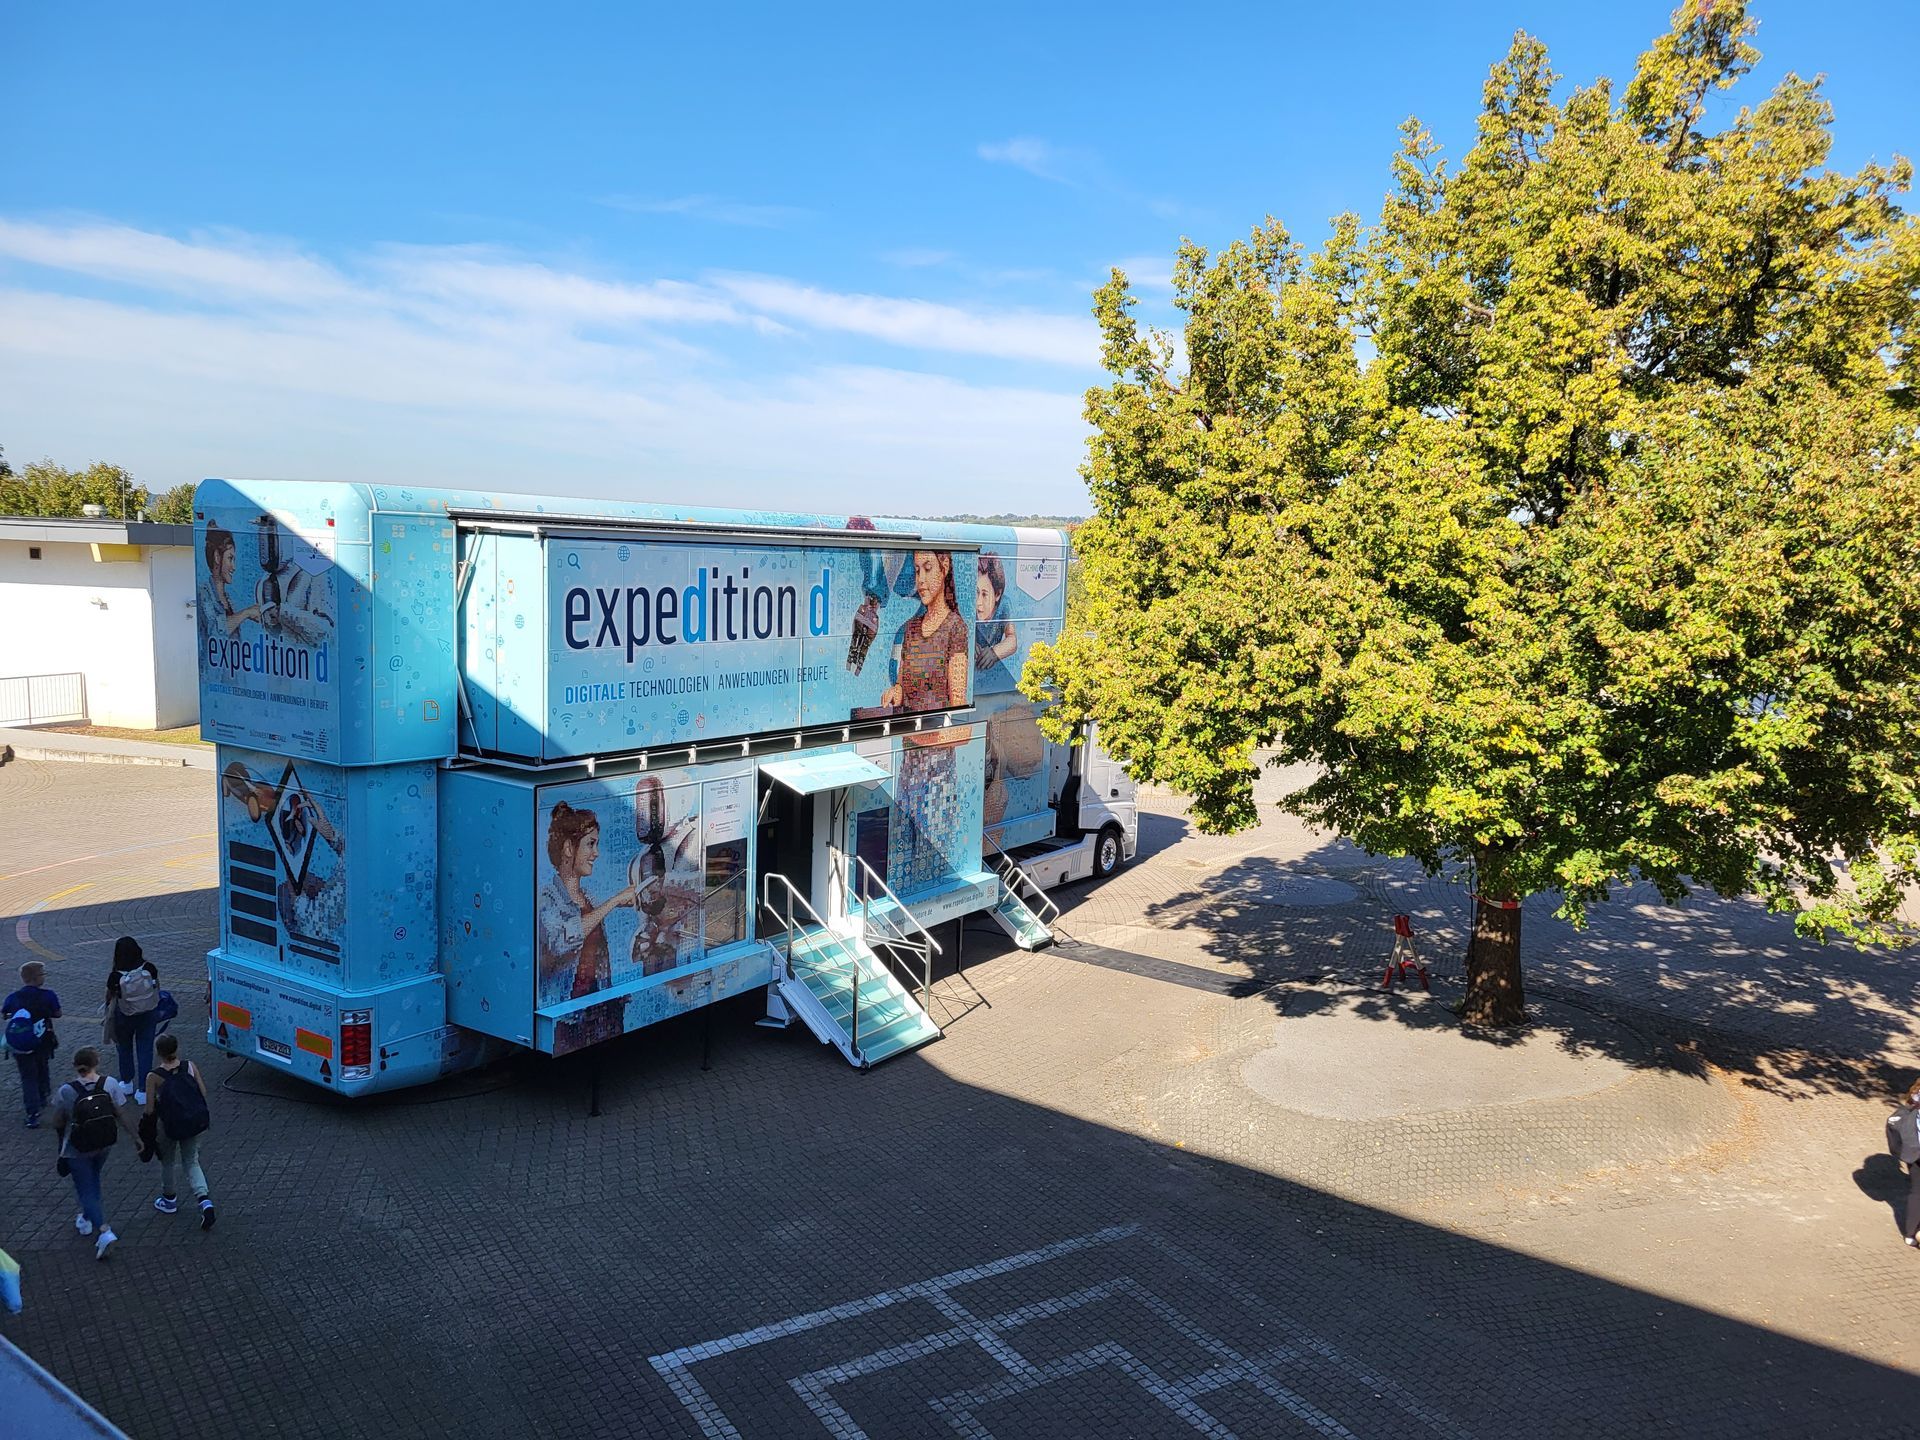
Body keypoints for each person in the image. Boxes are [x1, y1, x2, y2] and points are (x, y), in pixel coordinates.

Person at [536, 802, 635, 1051]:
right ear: (569, 848)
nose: (596, 853)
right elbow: (562, 942)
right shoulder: (547, 899)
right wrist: (613, 902)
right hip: (569, 1017)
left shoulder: (588, 897)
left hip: (601, 1010)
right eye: (590, 844)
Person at [51, 1047, 140, 1260]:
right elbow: (121, 1113)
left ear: (75, 1066)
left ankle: (103, 1230)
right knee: (93, 1179)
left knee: (85, 1189)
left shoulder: (66, 1090)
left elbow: (58, 1120)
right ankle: (86, 1217)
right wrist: (136, 1137)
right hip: (103, 1144)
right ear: (96, 1063)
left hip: (77, 1148)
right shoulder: (110, 1084)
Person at [145, 1033, 215, 1230]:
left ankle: (169, 1199)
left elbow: (149, 1109)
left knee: (167, 1161)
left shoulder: (153, 1076)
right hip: (193, 1121)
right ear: (177, 1048)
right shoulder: (190, 1066)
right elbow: (203, 1092)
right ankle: (204, 1200)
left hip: (168, 1125)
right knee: (191, 1160)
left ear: (158, 1052)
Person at [4, 961, 62, 1129]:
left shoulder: (14, 997)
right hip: (42, 1041)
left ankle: (32, 1114)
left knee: (27, 1077)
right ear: (36, 978)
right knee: (42, 1067)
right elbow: (58, 1013)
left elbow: (5, 1012)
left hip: (21, 1044)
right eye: (43, 974)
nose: (44, 977)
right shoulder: (48, 995)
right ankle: (43, 1095)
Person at [106, 936, 161, 1103]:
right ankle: (144, 1090)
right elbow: (156, 987)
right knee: (145, 1050)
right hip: (148, 1013)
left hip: (124, 1015)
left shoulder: (115, 976)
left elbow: (110, 996)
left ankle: (127, 1082)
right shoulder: (149, 967)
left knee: (124, 1047)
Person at [973, 553, 1018, 690]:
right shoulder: (969, 605)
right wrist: (968, 643)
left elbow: (1012, 639)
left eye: (984, 594)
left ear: (997, 594)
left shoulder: (1004, 604)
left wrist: (995, 652)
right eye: (976, 593)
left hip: (993, 677)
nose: (978, 602)